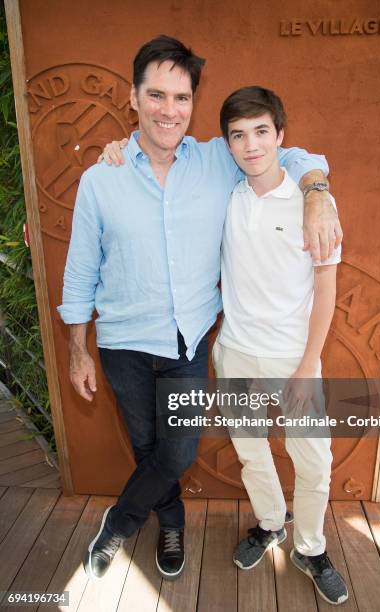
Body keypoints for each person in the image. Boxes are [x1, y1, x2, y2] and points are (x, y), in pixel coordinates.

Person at [57, 35, 342, 582]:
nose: (170, 110)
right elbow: (79, 273)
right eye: (157, 95)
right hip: (122, 346)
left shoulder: (217, 160)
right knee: (147, 449)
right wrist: (78, 351)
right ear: (133, 98)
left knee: (177, 453)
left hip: (189, 345)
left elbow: (285, 151)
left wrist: (318, 189)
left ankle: (118, 524)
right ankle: (170, 523)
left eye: (182, 98)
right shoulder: (102, 177)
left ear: (192, 102)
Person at [211, 86, 348, 605]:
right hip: (236, 353)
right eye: (238, 135)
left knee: (313, 462)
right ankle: (271, 523)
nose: (251, 145)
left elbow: (327, 288)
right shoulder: (225, 195)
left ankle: (311, 548)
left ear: (281, 137)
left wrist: (308, 364)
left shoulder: (315, 203)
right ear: (227, 145)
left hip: (296, 358)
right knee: (252, 453)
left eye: (261, 132)